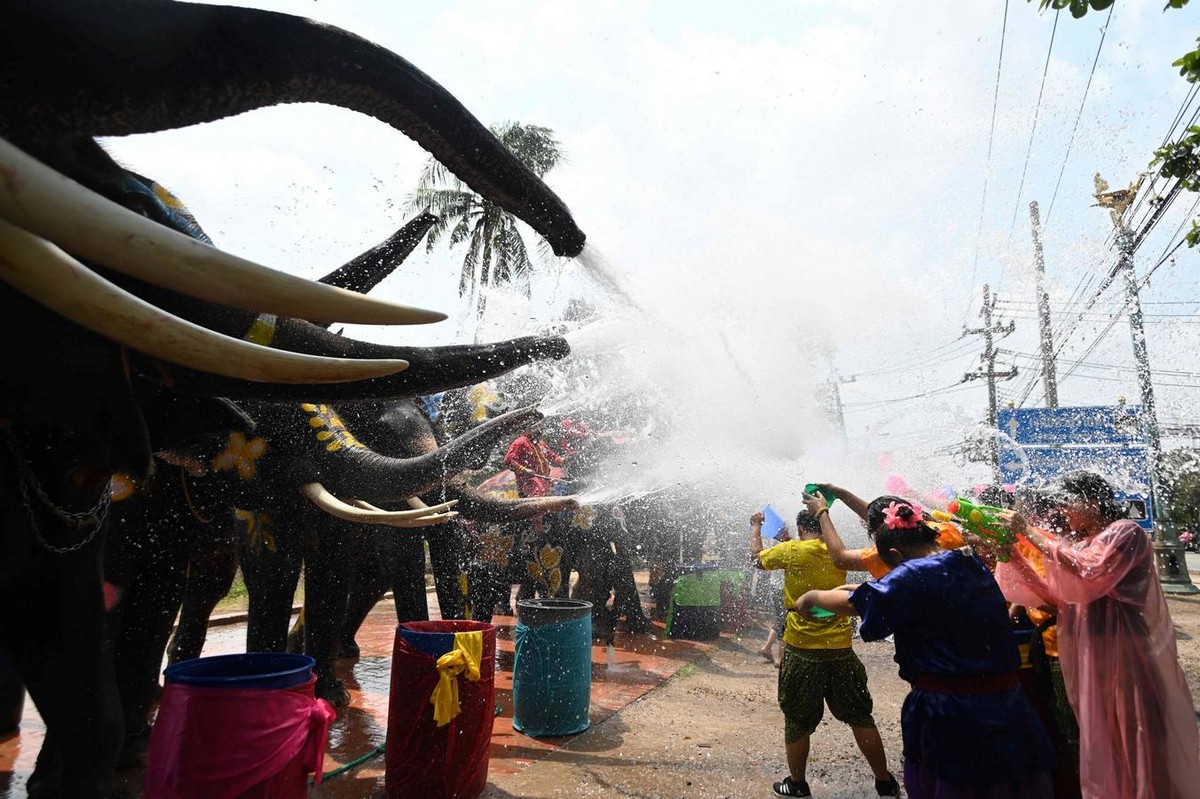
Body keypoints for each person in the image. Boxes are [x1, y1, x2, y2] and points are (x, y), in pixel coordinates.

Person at [798, 493, 1055, 798]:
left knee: (954, 786)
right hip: (1008, 704)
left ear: (893, 555)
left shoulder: (911, 574)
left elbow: (866, 599)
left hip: (953, 712)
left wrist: (812, 598)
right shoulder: (965, 559)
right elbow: (902, 592)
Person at [997, 472, 1200, 799]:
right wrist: (1013, 556)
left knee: (1138, 735)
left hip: (1126, 654)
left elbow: (1087, 570)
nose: (1065, 511)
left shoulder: (1125, 533)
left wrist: (1027, 531)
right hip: (1093, 656)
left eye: (1069, 503)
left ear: (1092, 501)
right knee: (1105, 738)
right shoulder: (1080, 545)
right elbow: (1054, 598)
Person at [750, 508, 899, 798]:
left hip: (802, 648)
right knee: (859, 716)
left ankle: (797, 784)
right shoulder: (835, 549)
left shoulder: (792, 550)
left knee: (797, 718)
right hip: (840, 647)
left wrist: (756, 527)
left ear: (800, 528)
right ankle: (884, 782)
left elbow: (757, 559)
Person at [807, 483, 965, 578]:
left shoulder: (889, 554)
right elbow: (887, 519)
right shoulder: (945, 531)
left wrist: (822, 512)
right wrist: (841, 494)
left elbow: (840, 558)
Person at [756, 522, 792, 667]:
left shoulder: (777, 543)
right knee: (785, 621)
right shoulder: (785, 545)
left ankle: (767, 647)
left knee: (780, 619)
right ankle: (779, 658)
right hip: (783, 587)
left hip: (776, 586)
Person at [503, 423, 564, 498]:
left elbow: (552, 457)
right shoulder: (519, 442)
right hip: (529, 484)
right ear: (529, 429)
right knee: (538, 503)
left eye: (541, 428)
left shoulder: (540, 443)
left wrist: (564, 461)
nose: (541, 431)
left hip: (545, 481)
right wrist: (524, 470)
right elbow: (508, 461)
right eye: (537, 429)